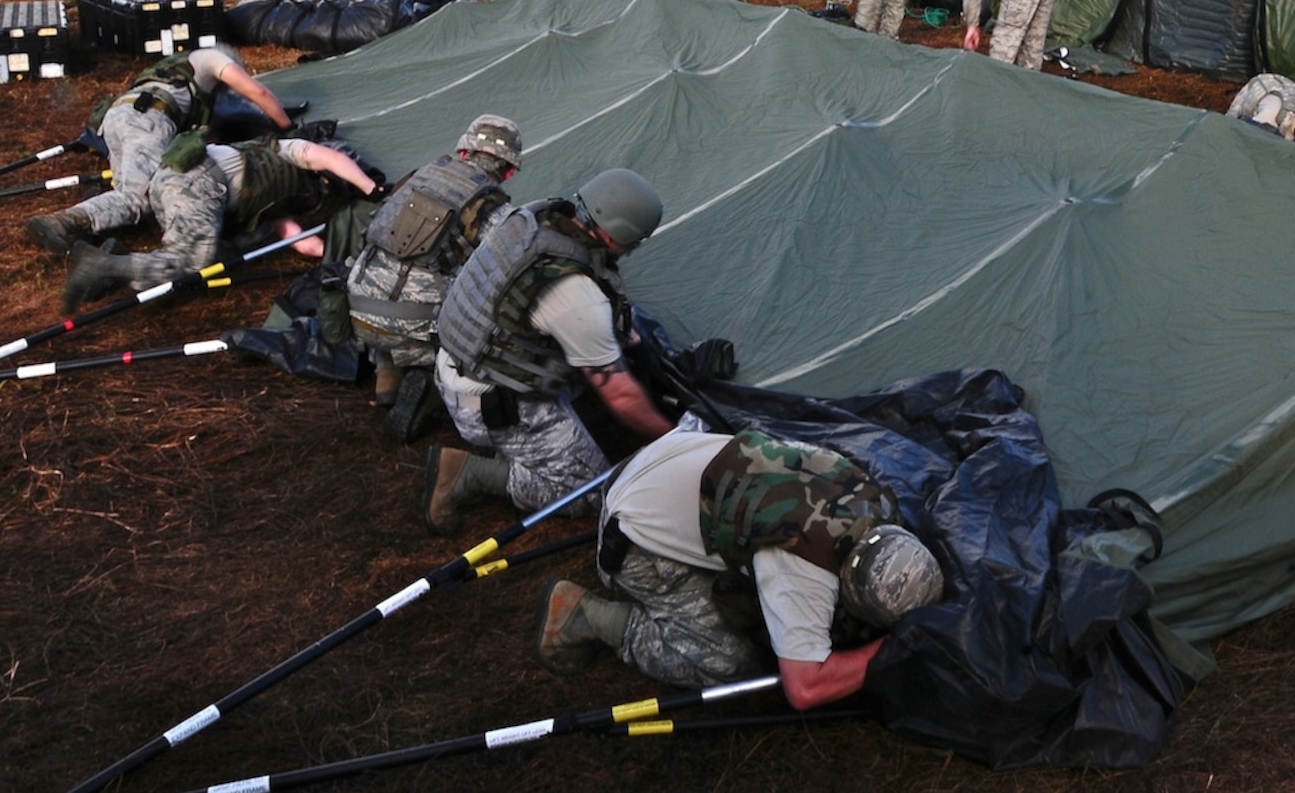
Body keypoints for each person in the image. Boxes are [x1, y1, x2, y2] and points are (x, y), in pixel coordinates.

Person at [533, 426, 945, 710]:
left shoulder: (877, 503)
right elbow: (805, 687)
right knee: (730, 662)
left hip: (661, 458)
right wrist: (891, 648)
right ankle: (589, 615)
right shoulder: (804, 570)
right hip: (632, 535)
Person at [419, 168, 677, 534]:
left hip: (455, 361)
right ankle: (472, 473)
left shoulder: (531, 219)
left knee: (592, 356)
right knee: (590, 493)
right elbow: (621, 397)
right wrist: (675, 439)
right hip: (489, 404)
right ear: (621, 234)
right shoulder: (575, 296)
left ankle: (515, 444)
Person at [347, 114, 520, 440]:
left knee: (395, 278)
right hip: (416, 326)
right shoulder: (494, 209)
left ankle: (387, 372)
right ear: (508, 171)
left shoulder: (418, 176)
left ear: (463, 151)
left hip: (357, 304)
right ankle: (430, 388)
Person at [61, 134, 379, 312]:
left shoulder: (275, 189)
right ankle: (101, 265)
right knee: (192, 264)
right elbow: (330, 157)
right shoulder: (290, 150)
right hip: (199, 186)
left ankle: (117, 262)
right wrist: (372, 189)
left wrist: (337, 256)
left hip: (171, 183)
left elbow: (300, 241)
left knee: (208, 256)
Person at [28, 46, 292, 255]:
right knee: (137, 199)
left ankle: (85, 228)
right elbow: (259, 93)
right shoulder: (213, 58)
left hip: (118, 117)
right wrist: (285, 127)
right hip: (149, 121)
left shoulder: (173, 71)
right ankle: (63, 221)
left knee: (127, 193)